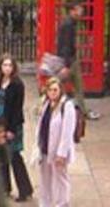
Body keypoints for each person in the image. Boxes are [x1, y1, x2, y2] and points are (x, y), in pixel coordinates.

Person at [0, 55, 33, 202]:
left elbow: (17, 109)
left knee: (15, 157)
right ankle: (4, 188)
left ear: (14, 67)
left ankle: (25, 189)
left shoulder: (17, 84)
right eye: (4, 65)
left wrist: (11, 130)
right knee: (1, 157)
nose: (7, 68)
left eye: (9, 65)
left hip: (11, 125)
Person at [35, 77, 77, 207]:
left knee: (60, 179)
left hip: (58, 151)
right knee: (44, 179)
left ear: (60, 91)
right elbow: (40, 126)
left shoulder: (67, 106)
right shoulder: (46, 104)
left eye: (55, 90)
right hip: (45, 147)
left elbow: (67, 132)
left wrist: (62, 153)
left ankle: (62, 203)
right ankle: (45, 203)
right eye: (50, 90)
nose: (53, 92)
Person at [56, 0, 99, 120]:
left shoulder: (70, 23)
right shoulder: (68, 25)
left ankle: (81, 111)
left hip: (70, 59)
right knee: (65, 86)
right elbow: (65, 45)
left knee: (74, 87)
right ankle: (48, 107)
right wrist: (66, 64)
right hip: (69, 61)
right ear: (72, 10)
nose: (82, 11)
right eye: (80, 9)